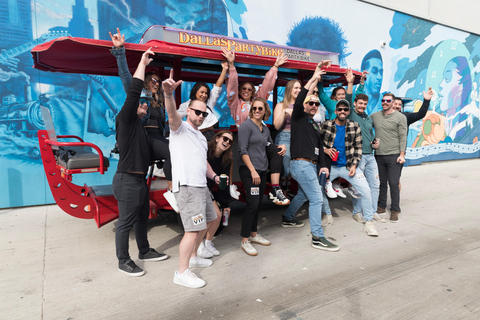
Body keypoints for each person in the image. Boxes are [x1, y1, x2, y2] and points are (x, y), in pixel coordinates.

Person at [112, 48, 168, 277]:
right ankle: (123, 260)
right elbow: (133, 89)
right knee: (125, 223)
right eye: (141, 104)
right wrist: (139, 61)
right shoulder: (125, 120)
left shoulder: (142, 130)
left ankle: (144, 251)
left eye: (147, 105)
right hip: (126, 179)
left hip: (139, 180)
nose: (145, 107)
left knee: (142, 217)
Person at [163, 70, 220, 289]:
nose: (200, 116)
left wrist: (214, 176)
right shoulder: (181, 128)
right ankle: (182, 272)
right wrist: (168, 95)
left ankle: (194, 257)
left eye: (204, 114)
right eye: (197, 112)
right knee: (192, 230)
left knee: (212, 217)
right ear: (188, 111)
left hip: (201, 186)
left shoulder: (200, 135)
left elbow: (202, 162)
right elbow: (172, 117)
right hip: (187, 187)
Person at [109, 28, 177, 212]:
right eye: (153, 81)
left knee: (178, 149)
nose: (156, 83)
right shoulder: (141, 96)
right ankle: (172, 190)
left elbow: (172, 119)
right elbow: (125, 77)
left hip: (159, 137)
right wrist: (120, 51)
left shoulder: (162, 102)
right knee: (171, 151)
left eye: (158, 81)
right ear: (146, 83)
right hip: (145, 138)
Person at [281, 63, 339, 252]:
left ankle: (288, 218)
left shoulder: (314, 125)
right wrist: (313, 77)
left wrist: (323, 166)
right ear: (304, 105)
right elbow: (298, 102)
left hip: (311, 165)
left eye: (316, 104)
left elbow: (320, 147)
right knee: (317, 199)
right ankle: (317, 237)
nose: (313, 106)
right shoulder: (298, 116)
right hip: (300, 164)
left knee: (304, 194)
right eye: (310, 103)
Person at [222, 48, 290, 206]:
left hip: (262, 138)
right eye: (243, 89)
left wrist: (275, 67)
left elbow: (266, 87)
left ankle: (275, 188)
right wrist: (231, 65)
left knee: (277, 150)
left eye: (249, 89)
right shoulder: (235, 105)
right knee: (253, 195)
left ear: (253, 92)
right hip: (248, 142)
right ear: (240, 91)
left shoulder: (257, 103)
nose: (246, 91)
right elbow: (231, 87)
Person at [320, 98, 379, 236]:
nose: (342, 111)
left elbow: (358, 147)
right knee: (318, 189)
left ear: (348, 112)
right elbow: (316, 142)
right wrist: (325, 149)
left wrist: (354, 165)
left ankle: (369, 222)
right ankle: (327, 213)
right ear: (335, 111)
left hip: (348, 167)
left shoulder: (354, 125)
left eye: (345, 109)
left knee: (366, 191)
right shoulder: (326, 125)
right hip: (330, 167)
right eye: (339, 109)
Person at [238, 98, 286, 256]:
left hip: (263, 170)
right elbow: (243, 151)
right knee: (252, 203)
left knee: (258, 203)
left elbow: (269, 146)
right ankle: (245, 240)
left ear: (265, 110)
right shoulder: (246, 126)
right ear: (251, 110)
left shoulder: (265, 129)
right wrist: (252, 171)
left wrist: (281, 147)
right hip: (250, 170)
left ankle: (253, 234)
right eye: (255, 108)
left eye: (260, 108)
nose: (257, 110)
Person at [316, 67, 367, 199]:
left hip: (348, 133)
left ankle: (344, 185)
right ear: (334, 96)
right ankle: (333, 184)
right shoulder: (331, 104)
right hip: (333, 132)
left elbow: (353, 96)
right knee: (331, 157)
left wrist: (361, 83)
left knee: (348, 157)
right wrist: (319, 80)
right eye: (339, 95)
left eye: (343, 94)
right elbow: (321, 94)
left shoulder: (349, 106)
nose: (341, 96)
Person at [344, 68, 385, 224]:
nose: (362, 106)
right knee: (358, 187)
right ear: (355, 104)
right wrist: (360, 83)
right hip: (357, 157)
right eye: (360, 103)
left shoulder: (368, 118)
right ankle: (356, 212)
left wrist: (375, 143)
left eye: (364, 104)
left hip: (370, 156)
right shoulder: (352, 114)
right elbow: (348, 99)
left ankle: (373, 211)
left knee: (375, 185)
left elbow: (371, 135)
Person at [196, 130, 234, 258]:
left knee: (217, 216)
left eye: (230, 141)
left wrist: (226, 204)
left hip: (208, 190)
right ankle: (199, 246)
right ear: (217, 138)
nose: (227, 142)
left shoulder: (226, 159)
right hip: (197, 187)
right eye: (225, 138)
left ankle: (207, 243)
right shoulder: (205, 150)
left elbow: (225, 182)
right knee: (204, 219)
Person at [370, 93, 407, 222]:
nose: (385, 102)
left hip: (394, 155)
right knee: (381, 183)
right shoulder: (375, 116)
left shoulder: (400, 117)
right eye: (383, 100)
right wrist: (371, 142)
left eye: (388, 100)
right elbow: (366, 128)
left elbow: (403, 137)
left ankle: (395, 209)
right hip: (379, 155)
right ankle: (381, 206)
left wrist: (402, 154)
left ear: (393, 102)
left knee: (393, 183)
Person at [177, 63, 228, 141]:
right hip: (195, 137)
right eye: (202, 92)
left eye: (206, 93)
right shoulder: (187, 105)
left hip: (211, 136)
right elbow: (174, 119)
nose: (204, 95)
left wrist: (224, 69)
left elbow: (217, 87)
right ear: (195, 91)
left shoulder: (209, 103)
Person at [273, 79, 301, 180]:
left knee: (298, 168)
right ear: (289, 90)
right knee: (286, 169)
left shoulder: (302, 106)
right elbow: (276, 126)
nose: (298, 90)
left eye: (300, 88)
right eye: (296, 88)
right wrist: (284, 112)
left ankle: (288, 187)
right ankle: (279, 185)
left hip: (299, 138)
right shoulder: (280, 105)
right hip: (285, 137)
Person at [361, 50, 384, 114]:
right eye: (374, 71)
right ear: (364, 73)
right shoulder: (355, 102)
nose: (379, 77)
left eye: (381, 72)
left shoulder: (387, 105)